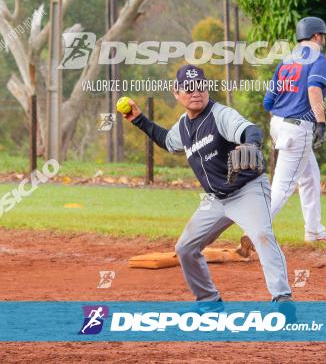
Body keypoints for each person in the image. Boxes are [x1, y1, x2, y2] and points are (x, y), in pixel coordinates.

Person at [120, 64, 293, 311]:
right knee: (185, 248)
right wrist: (138, 119)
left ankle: (282, 298)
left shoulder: (220, 114)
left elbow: (249, 129)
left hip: (247, 190)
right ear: (176, 93)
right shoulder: (183, 125)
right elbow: (168, 142)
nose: (196, 92)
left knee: (262, 234)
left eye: (200, 86)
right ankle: (209, 302)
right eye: (189, 88)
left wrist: (252, 144)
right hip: (215, 199)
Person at [262, 16, 326, 242]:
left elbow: (268, 102)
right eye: (322, 36)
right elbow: (314, 90)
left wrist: (281, 123)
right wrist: (320, 122)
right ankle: (256, 229)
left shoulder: (287, 60)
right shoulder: (318, 58)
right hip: (297, 127)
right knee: (283, 185)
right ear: (316, 36)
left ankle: (314, 231)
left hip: (279, 124)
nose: (323, 40)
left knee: (310, 177)